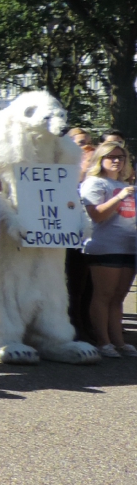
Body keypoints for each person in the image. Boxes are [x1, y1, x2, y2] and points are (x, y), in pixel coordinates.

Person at [80, 141, 137, 357]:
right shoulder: (95, 183)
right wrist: (119, 197)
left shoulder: (126, 185)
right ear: (100, 160)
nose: (116, 161)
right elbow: (97, 215)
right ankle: (103, 342)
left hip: (129, 247)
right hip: (104, 246)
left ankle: (119, 342)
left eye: (120, 157)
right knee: (103, 295)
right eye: (111, 157)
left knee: (118, 298)